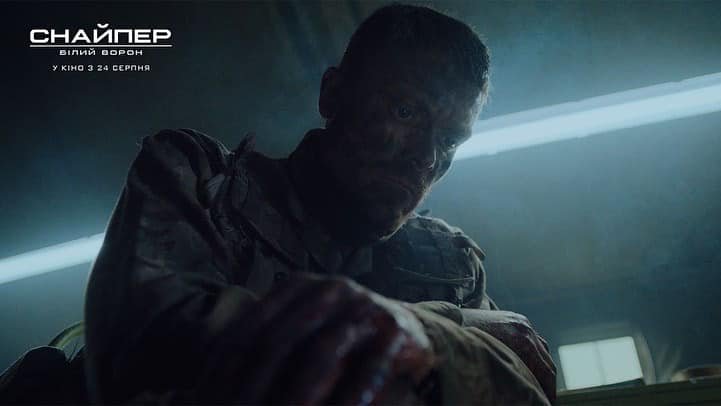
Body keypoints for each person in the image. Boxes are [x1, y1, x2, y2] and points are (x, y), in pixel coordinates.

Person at [84, 4, 556, 404]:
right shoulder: (203, 182)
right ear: (333, 95)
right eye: (406, 112)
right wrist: (448, 330)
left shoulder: (448, 263)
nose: (428, 157)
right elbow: (141, 358)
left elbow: (526, 385)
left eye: (450, 140)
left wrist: (429, 332)